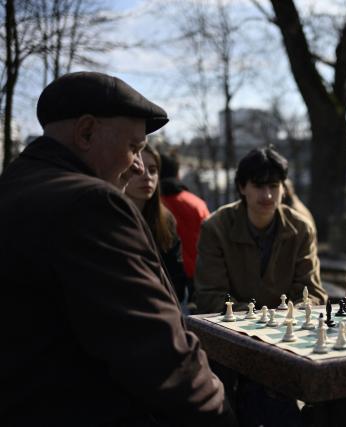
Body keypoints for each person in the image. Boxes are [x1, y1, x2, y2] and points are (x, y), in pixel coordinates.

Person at [0, 71, 234, 425]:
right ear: (87, 132)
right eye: (133, 148)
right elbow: (159, 353)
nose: (139, 167)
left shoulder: (14, 186)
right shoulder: (92, 205)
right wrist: (221, 414)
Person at [194, 146, 327, 314]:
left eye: (273, 186)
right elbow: (210, 296)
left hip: (286, 327)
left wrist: (292, 314)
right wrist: (257, 317)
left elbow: (311, 292)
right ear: (242, 187)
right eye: (258, 186)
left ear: (283, 188)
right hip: (233, 329)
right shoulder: (215, 228)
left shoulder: (301, 229)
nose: (267, 195)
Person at [125, 144, 189, 302]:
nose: (146, 176)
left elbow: (176, 279)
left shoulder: (166, 220)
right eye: (137, 169)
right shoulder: (112, 217)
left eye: (153, 170)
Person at [159, 151, 210, 303]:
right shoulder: (197, 205)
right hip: (197, 278)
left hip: (163, 278)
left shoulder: (152, 205)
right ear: (178, 175)